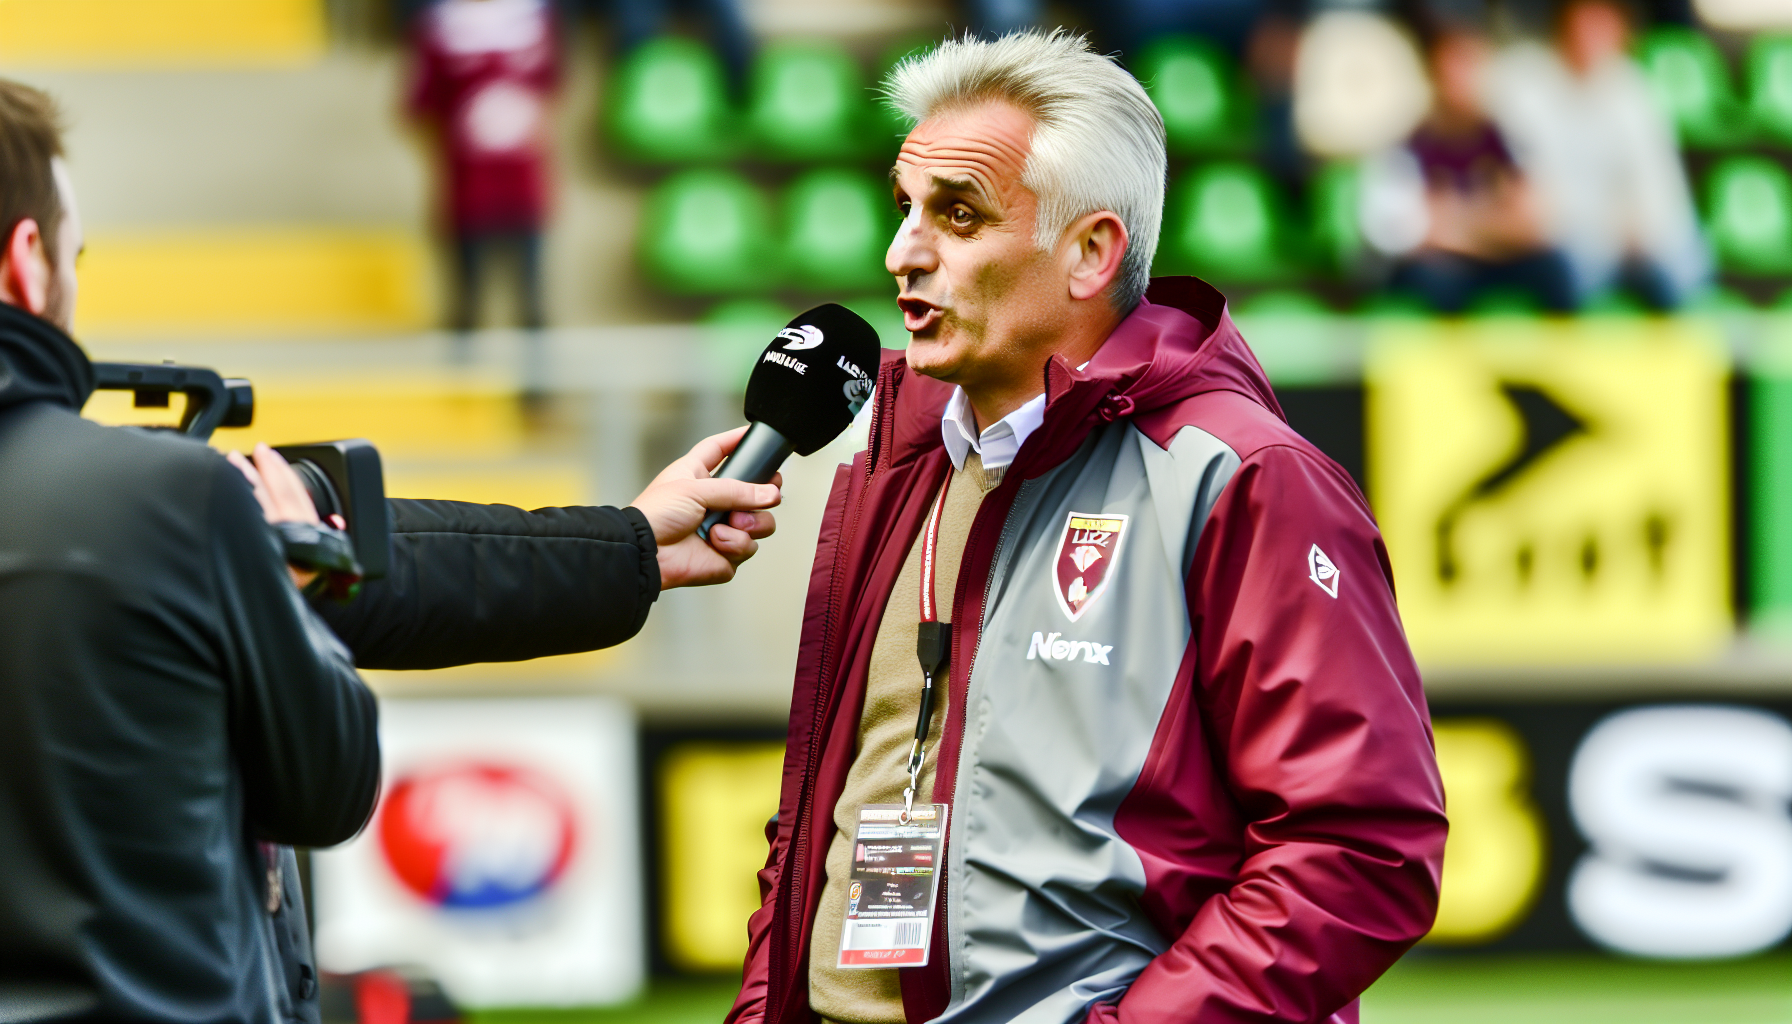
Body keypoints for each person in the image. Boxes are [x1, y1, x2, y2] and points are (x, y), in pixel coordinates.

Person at [0, 78, 778, 1022]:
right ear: (28, 263)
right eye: (76, 256)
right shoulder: (164, 501)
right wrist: (284, 591)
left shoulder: (142, 504)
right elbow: (330, 784)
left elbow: (394, 561)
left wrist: (627, 545)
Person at [729, 30, 1446, 1024]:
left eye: (958, 214)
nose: (902, 254)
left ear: (1090, 252)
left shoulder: (1243, 477)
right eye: (904, 209)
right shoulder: (897, 464)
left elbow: (1362, 849)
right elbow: (813, 821)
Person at [1486, 0, 1709, 309]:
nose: (1590, 34)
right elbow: (1530, 200)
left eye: (1602, 22)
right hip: (1558, 245)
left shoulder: (1633, 90)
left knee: (1680, 261)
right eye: (1584, 19)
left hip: (1627, 245)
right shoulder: (1521, 81)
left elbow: (1660, 193)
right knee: (1564, 267)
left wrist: (1639, 228)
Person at [1363, 22, 1577, 313]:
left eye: (1469, 65)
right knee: (1430, 283)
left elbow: (1535, 222)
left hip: (1500, 260)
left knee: (1557, 269)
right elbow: (1405, 235)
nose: (1460, 79)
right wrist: (1492, 221)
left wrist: (1459, 223)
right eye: (1450, 67)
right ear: (1433, 75)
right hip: (1445, 269)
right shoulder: (1407, 148)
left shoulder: (1509, 139)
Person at [406, 0, 558, 352]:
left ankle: (537, 396)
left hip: (524, 185)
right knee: (467, 298)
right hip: (467, 187)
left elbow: (550, 91)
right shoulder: (440, 28)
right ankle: (460, 393)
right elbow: (421, 108)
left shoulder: (534, 21)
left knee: (531, 297)